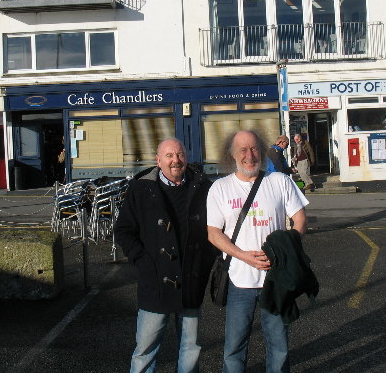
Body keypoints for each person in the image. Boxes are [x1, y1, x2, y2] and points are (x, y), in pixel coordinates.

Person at [207, 130, 309, 373]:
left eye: (253, 149)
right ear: (231, 154)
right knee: (234, 347)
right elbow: (213, 234)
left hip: (275, 281)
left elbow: (300, 219)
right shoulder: (220, 188)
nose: (249, 155)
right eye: (242, 149)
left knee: (279, 346)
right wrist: (243, 256)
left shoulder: (280, 182)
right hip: (239, 280)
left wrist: (285, 250)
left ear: (261, 152)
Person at [114, 138, 215, 373]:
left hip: (191, 280)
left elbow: (216, 228)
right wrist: (142, 261)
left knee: (191, 348)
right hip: (155, 281)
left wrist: (205, 261)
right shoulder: (140, 188)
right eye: (169, 156)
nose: (175, 161)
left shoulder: (203, 187)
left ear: (186, 157)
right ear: (158, 161)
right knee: (145, 351)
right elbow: (123, 230)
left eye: (179, 154)